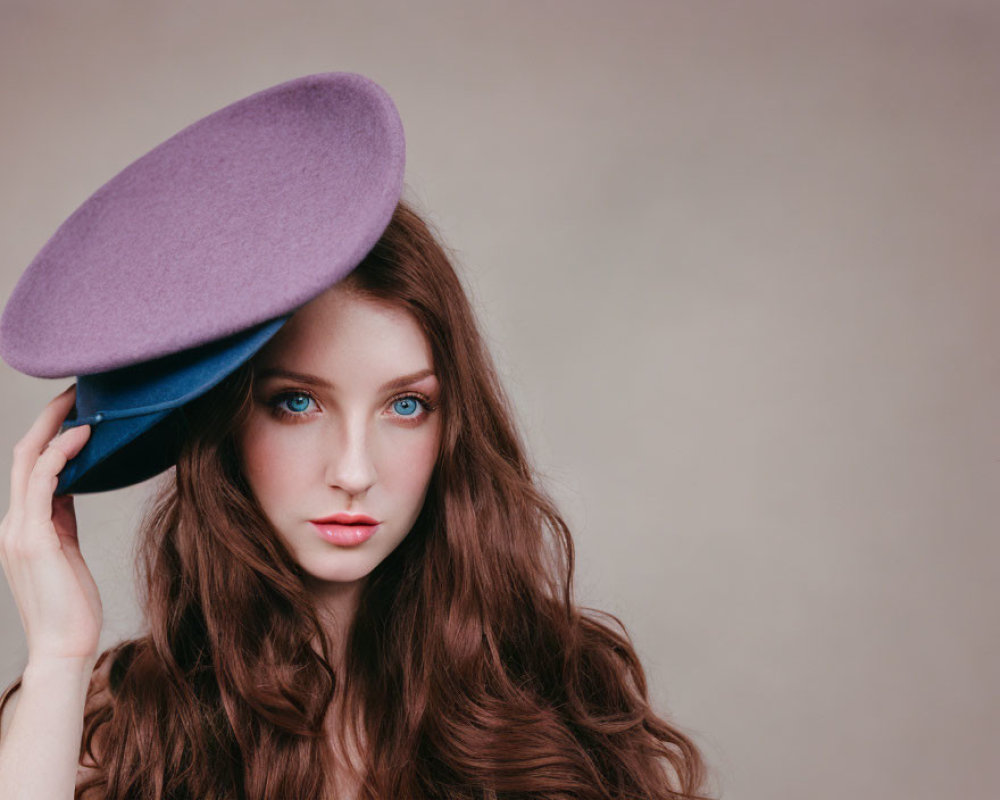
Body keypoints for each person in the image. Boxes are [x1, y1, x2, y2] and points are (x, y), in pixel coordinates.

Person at [0, 77, 713, 800]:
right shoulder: (117, 735)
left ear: (452, 427)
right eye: (299, 402)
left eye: (405, 406)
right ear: (226, 426)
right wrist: (59, 657)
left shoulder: (565, 709)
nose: (353, 470)